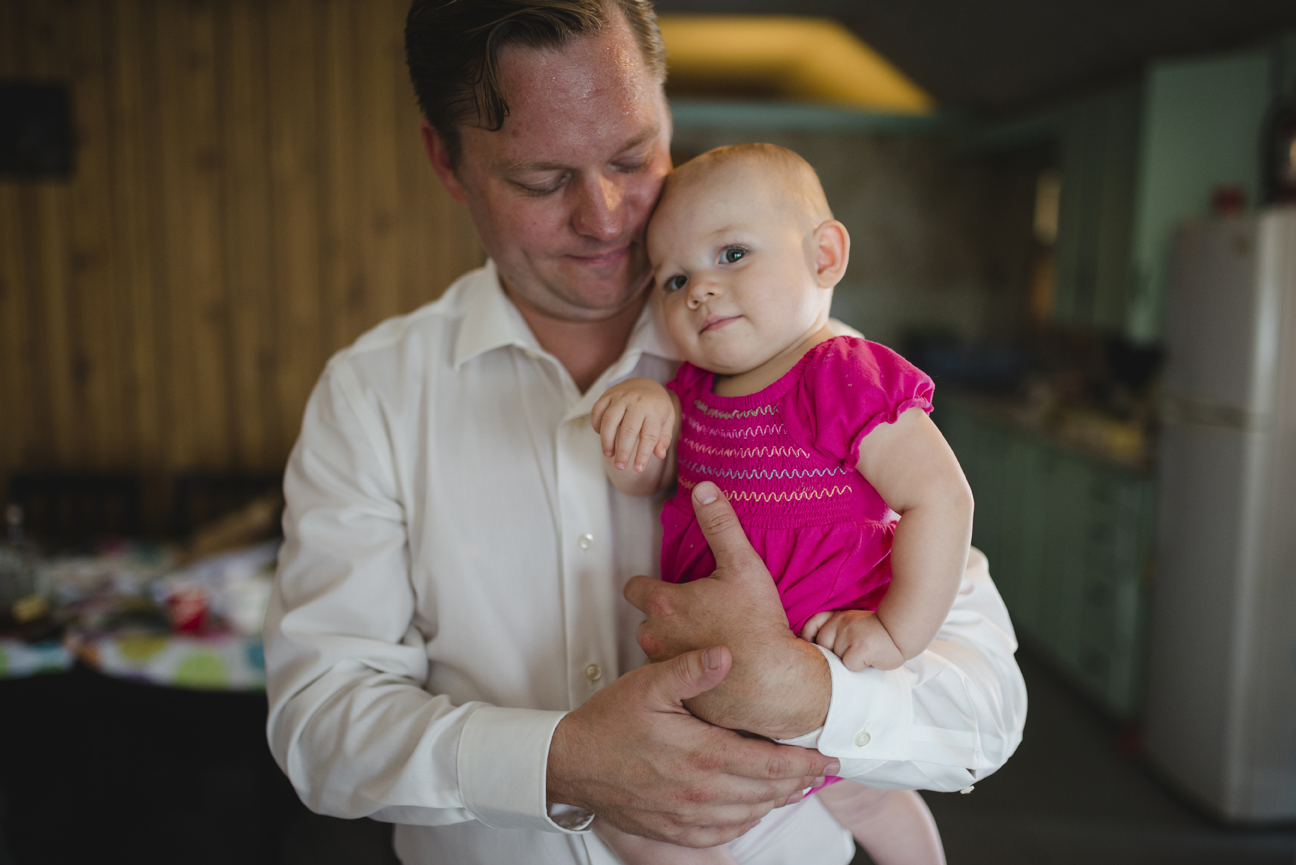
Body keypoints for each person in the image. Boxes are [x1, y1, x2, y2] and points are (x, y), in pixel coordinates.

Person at [263, 2, 1028, 864]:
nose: (605, 217)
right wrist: (559, 762)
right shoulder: (372, 395)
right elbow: (320, 727)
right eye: (542, 179)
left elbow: (987, 711)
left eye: (632, 158)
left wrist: (814, 695)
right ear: (447, 160)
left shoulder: (820, 369)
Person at [589, 144, 964, 865]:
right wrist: (639, 412)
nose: (699, 290)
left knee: (866, 797)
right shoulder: (690, 392)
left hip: (822, 659)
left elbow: (941, 497)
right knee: (637, 814)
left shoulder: (842, 373)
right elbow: (642, 483)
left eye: (732, 254)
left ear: (824, 255)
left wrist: (896, 633)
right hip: (717, 672)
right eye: (674, 279)